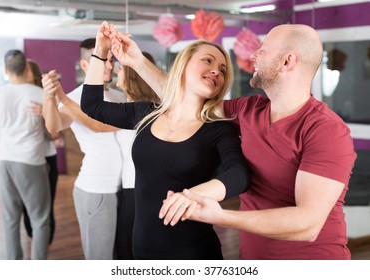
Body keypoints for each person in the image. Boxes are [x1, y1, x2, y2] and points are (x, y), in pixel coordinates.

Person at [107, 23, 357, 260]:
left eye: (263, 50)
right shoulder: (249, 110)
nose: (253, 56)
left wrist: (222, 217)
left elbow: (308, 224)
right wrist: (138, 62)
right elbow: (183, 97)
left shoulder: (326, 130)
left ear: (287, 61)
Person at [79, 21, 249, 260]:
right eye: (208, 61)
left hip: (193, 252)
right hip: (143, 247)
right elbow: (92, 106)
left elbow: (239, 175)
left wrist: (192, 195)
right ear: (183, 64)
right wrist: (101, 50)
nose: (216, 71)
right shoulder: (147, 113)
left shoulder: (218, 129)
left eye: (222, 70)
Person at [41, 38, 126, 260]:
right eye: (103, 60)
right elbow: (54, 126)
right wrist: (50, 97)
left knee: (121, 258)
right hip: (97, 188)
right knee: (100, 259)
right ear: (86, 65)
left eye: (111, 60)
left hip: (125, 189)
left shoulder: (119, 96)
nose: (109, 65)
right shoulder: (74, 98)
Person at [0, 49, 51, 259]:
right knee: (40, 220)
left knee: (10, 219)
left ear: (5, 70)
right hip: (30, 161)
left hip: (3, 161)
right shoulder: (39, 94)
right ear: (27, 67)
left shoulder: (0, 94)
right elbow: (53, 131)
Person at [114, 51, 160, 259]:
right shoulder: (147, 107)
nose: (116, 70)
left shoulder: (137, 111)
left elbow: (92, 117)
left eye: (121, 68)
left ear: (132, 75)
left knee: (128, 251)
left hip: (136, 189)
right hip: (132, 187)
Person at [24, 59, 59, 245]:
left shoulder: (44, 96)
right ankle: (33, 238)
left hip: (45, 159)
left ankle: (44, 242)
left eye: (26, 69)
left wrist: (44, 112)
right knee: (26, 206)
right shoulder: (14, 95)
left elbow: (55, 135)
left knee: (45, 205)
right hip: (24, 161)